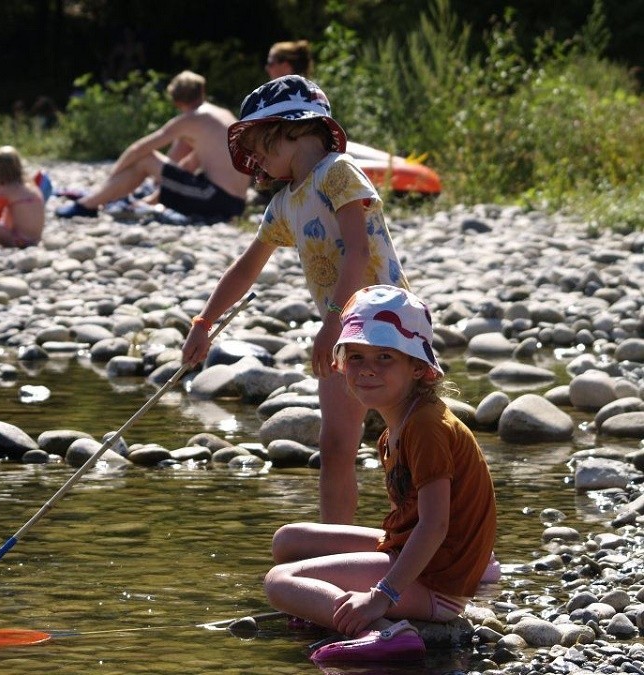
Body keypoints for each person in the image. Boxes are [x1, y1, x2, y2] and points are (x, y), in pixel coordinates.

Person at [181, 75, 408, 524]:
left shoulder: (338, 173)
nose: (257, 158)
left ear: (293, 129)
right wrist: (204, 322)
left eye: (259, 143)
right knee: (336, 443)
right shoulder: (285, 202)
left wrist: (331, 322)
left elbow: (358, 250)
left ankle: (424, 535)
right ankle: (336, 543)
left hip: (387, 324)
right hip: (343, 329)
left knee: (408, 438)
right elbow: (247, 266)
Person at [264, 285, 497, 664]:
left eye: (385, 356)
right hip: (424, 557)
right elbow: (409, 520)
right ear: (342, 363)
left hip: (439, 582)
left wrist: (380, 596)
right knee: (287, 541)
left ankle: (385, 631)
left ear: (418, 368)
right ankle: (329, 608)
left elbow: (435, 526)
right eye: (356, 356)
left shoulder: (426, 426)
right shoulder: (394, 430)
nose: (367, 368)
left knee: (279, 581)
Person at [54, 71, 250, 222]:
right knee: (165, 169)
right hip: (235, 203)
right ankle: (113, 197)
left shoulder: (191, 119)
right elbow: (188, 167)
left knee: (147, 159)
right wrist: (151, 199)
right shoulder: (220, 115)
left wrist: (112, 177)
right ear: (202, 92)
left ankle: (89, 204)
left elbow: (139, 149)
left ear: (176, 101)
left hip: (216, 198)